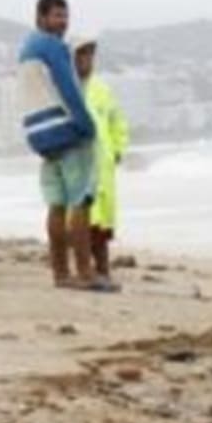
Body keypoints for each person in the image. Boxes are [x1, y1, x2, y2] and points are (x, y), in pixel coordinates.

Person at [17, 0, 110, 291]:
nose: (63, 22)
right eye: (57, 15)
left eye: (66, 16)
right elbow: (68, 89)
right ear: (41, 17)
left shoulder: (25, 49)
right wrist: (88, 127)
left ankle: (60, 273)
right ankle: (85, 273)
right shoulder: (52, 46)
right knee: (80, 202)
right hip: (65, 131)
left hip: (40, 136)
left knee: (56, 205)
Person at [72, 37, 129, 284]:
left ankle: (104, 270)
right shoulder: (65, 89)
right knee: (83, 218)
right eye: (81, 55)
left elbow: (117, 120)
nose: (86, 60)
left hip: (103, 164)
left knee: (103, 221)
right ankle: (85, 270)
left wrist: (118, 149)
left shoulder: (102, 89)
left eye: (90, 55)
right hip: (77, 163)